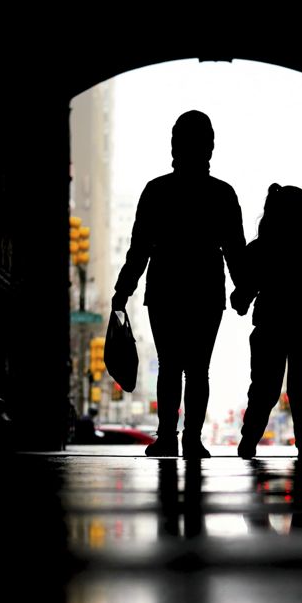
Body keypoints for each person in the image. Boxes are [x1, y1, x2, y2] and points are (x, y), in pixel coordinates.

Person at [111, 110, 245, 458]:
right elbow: (235, 250)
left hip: (165, 288)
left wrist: (123, 289)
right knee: (198, 370)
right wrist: (243, 289)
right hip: (205, 289)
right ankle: (192, 439)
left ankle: (168, 436)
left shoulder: (157, 191)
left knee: (170, 366)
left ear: (174, 146)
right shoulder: (222, 194)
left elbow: (139, 248)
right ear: (210, 147)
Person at [231, 184, 302, 459]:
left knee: (263, 388)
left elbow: (244, 291)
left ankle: (249, 441)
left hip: (269, 326)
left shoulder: (261, 247)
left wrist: (241, 299)